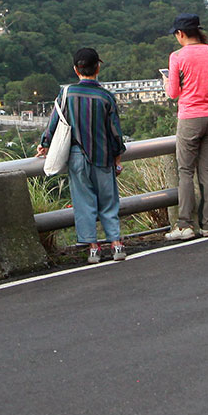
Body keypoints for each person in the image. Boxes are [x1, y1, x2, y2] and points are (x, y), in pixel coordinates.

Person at [38, 47, 127, 262]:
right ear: (97, 67)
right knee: (108, 200)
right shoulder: (106, 97)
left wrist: (45, 144)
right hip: (103, 155)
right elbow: (115, 132)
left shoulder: (66, 94)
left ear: (76, 70)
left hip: (76, 156)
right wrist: (117, 157)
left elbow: (54, 122)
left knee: (83, 201)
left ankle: (93, 248)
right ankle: (116, 244)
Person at [165, 14, 208, 240]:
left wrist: (166, 83)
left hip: (190, 117)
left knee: (186, 171)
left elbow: (173, 93)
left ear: (180, 34)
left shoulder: (177, 56)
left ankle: (185, 224)